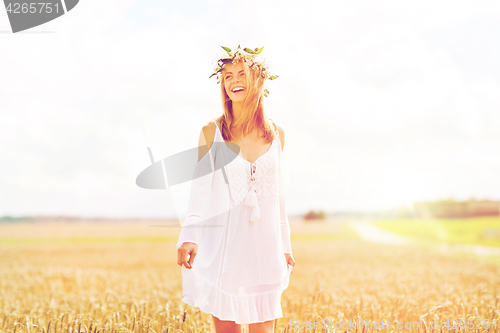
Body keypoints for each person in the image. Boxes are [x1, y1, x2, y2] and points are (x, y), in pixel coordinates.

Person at [176, 46, 295, 333]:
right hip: (225, 250)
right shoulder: (212, 133)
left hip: (265, 249)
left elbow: (278, 197)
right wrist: (189, 236)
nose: (234, 81)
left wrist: (285, 246)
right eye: (228, 76)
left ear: (259, 81)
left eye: (242, 73)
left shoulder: (276, 134)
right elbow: (200, 191)